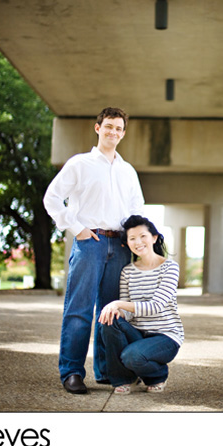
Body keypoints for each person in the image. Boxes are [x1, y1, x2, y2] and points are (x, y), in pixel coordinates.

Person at [43, 107, 144, 394]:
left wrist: (135, 239)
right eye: (109, 126)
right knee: (79, 310)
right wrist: (77, 229)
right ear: (97, 128)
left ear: (123, 134)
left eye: (118, 128)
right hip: (90, 243)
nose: (113, 132)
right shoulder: (80, 164)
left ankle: (107, 371)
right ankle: (72, 372)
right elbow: (52, 198)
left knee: (111, 313)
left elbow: (137, 208)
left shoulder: (128, 171)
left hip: (120, 245)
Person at [98, 215, 184, 393]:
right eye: (132, 238)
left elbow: (156, 306)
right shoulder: (127, 271)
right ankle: (122, 379)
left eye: (143, 236)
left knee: (131, 356)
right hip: (137, 333)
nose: (138, 242)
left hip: (165, 336)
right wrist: (116, 312)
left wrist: (117, 303)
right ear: (127, 243)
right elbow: (128, 313)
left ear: (154, 237)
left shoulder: (170, 267)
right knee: (108, 319)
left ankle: (158, 375)